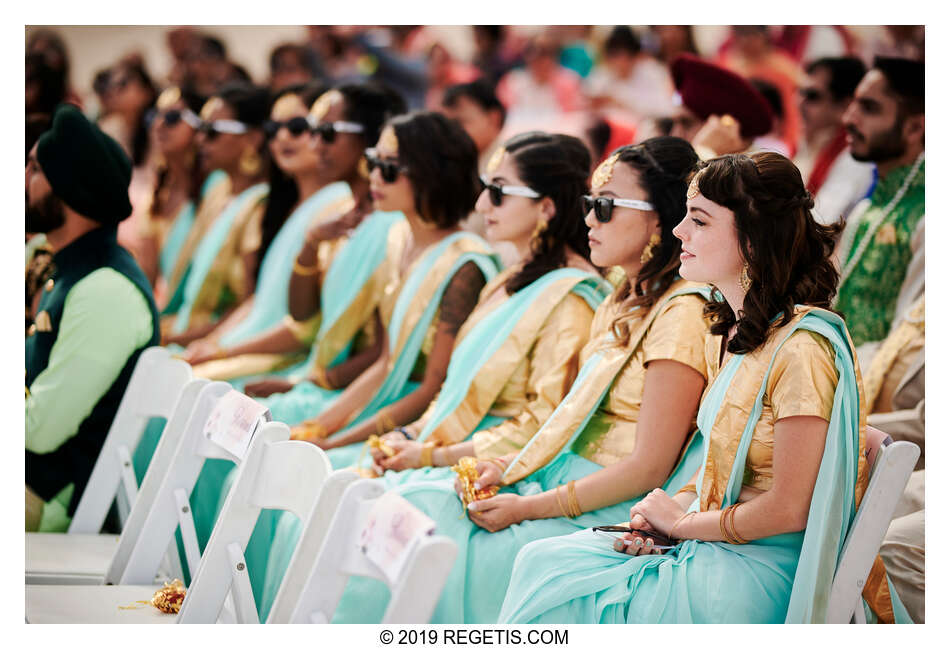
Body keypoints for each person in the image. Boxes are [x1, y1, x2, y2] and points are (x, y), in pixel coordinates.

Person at [499, 152, 909, 624]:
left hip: (767, 566)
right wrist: (664, 518)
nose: (678, 232)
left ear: (753, 238)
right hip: (718, 541)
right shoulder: (741, 335)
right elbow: (716, 466)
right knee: (544, 562)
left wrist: (684, 524)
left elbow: (790, 509)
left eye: (698, 220)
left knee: (564, 585)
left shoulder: (804, 348)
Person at [333, 137, 712, 623]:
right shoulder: (624, 299)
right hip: (554, 474)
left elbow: (647, 468)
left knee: (425, 528)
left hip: (599, 501)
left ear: (660, 217)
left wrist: (526, 507)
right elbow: (566, 418)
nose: (590, 219)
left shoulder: (681, 314)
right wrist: (507, 465)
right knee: (398, 505)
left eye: (605, 206)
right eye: (588, 205)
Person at [261, 131, 611, 621]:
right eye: (485, 186)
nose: (481, 202)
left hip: (497, 465)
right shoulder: (510, 279)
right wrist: (409, 439)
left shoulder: (571, 298)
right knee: (315, 496)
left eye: (499, 191)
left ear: (547, 208)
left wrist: (428, 453)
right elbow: (446, 390)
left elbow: (541, 424)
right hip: (448, 445)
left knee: (352, 516)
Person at [284, 111, 500, 467]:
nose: (373, 176)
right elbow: (387, 361)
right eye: (373, 162)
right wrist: (320, 427)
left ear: (431, 173)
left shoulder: (464, 265)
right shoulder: (397, 239)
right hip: (381, 401)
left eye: (390, 168)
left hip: (421, 421)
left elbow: (433, 387)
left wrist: (338, 442)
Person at [184, 83, 408, 387]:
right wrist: (311, 243)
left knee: (201, 387)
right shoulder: (339, 216)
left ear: (368, 137)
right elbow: (303, 317)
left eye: (327, 132)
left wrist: (304, 383)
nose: (315, 145)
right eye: (312, 132)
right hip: (310, 371)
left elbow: (383, 351)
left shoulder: (391, 228)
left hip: (334, 383)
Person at [26, 105, 160, 533]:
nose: (23, 181)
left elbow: (39, 431)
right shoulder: (62, 265)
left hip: (46, 499)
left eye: (33, 169)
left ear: (67, 188)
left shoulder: (106, 290)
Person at [162, 82, 271, 348]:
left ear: (253, 139)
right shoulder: (218, 191)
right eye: (200, 129)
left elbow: (249, 306)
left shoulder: (259, 207)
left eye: (212, 132)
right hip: (184, 329)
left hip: (217, 340)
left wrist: (179, 339)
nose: (200, 140)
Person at [835, 57, 924, 349]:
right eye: (853, 104)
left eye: (869, 108)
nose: (848, 118)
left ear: (914, 129)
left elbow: (908, 347)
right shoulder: (868, 209)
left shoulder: (926, 217)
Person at [134, 86, 222, 294]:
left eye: (173, 117)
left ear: (198, 128)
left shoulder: (217, 188)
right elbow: (148, 276)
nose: (159, 125)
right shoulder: (154, 198)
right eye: (154, 116)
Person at [793, 57, 873, 225]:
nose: (799, 102)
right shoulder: (805, 142)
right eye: (799, 92)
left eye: (812, 96)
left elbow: (820, 224)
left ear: (843, 106)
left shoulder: (852, 157)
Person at [669, 54, 774, 159]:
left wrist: (703, 153)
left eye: (687, 123)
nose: (675, 134)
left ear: (727, 126)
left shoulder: (762, 173)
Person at [585, 26, 676, 125]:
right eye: (615, 55)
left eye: (626, 55)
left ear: (637, 55)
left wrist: (621, 103)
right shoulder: (600, 76)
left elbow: (667, 111)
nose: (620, 62)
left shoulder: (654, 73)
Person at [495, 35, 583, 130]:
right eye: (535, 56)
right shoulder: (512, 81)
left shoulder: (569, 81)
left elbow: (575, 117)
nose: (540, 62)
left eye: (545, 55)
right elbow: (501, 115)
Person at [441, 79, 506, 174]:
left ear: (493, 118)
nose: (452, 132)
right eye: (446, 125)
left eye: (459, 122)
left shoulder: (512, 162)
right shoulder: (451, 163)